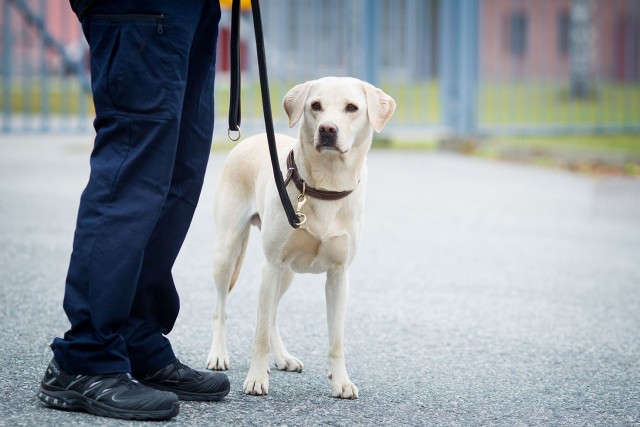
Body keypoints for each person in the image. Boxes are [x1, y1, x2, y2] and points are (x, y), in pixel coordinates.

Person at [37, 0, 228, 421]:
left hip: (193, 9)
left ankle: (135, 334)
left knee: (179, 172)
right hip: (139, 6)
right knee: (132, 171)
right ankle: (85, 357)